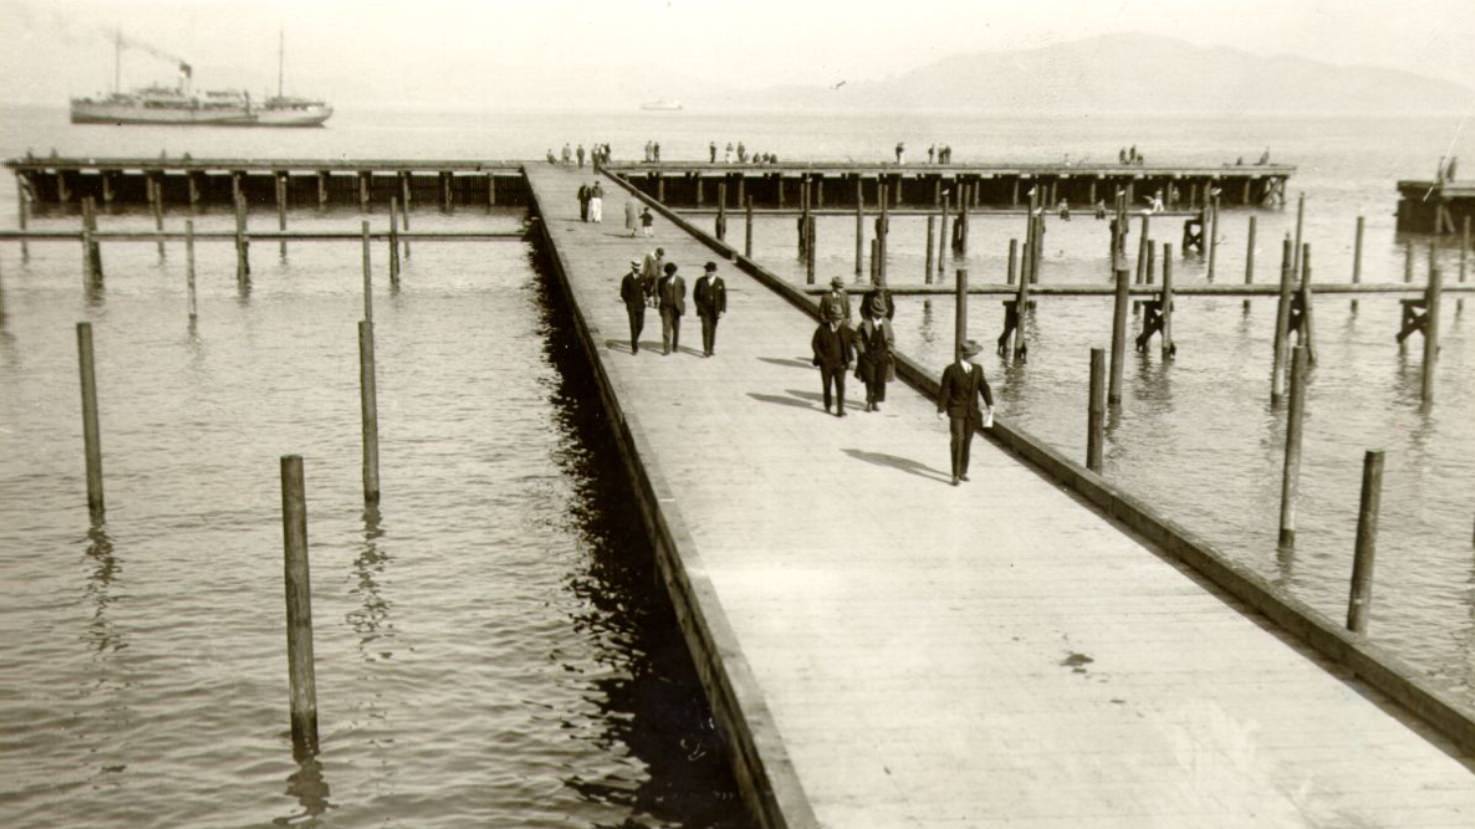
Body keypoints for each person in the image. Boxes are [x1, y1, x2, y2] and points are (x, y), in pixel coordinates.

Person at [936, 339, 994, 486]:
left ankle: (963, 471)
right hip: (956, 410)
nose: (977, 357)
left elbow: (984, 387)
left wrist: (990, 404)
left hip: (971, 412)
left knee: (967, 440)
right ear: (968, 355)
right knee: (958, 439)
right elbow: (945, 390)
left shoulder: (978, 369)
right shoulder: (951, 370)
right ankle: (955, 474)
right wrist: (941, 409)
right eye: (976, 354)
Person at [811, 304, 854, 417]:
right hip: (826, 364)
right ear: (831, 318)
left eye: (840, 319)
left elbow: (851, 344)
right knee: (827, 386)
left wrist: (851, 360)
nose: (838, 321)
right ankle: (828, 405)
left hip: (840, 364)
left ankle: (840, 409)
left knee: (841, 386)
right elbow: (815, 344)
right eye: (836, 319)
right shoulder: (822, 329)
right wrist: (821, 358)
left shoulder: (845, 329)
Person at [854, 295, 894, 412]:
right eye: (877, 312)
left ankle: (876, 401)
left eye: (881, 312)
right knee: (870, 379)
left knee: (880, 380)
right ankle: (869, 402)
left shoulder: (886, 323)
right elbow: (858, 338)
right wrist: (862, 351)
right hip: (868, 355)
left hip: (882, 355)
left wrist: (890, 352)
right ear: (873, 312)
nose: (879, 315)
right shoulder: (865, 323)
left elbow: (891, 339)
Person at [693, 261, 727, 357]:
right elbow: (695, 296)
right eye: (707, 271)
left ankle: (711, 348)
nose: (708, 273)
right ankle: (706, 350)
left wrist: (722, 310)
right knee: (706, 329)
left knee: (712, 329)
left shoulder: (720, 282)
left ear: (715, 272)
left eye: (710, 271)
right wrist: (699, 306)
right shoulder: (700, 281)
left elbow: (723, 297)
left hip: (715, 311)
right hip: (704, 310)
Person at [657, 262, 686, 355]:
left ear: (674, 272)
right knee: (666, 328)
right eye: (668, 273)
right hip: (666, 308)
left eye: (672, 273)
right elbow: (660, 292)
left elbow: (683, 293)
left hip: (676, 308)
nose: (670, 275)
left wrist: (678, 301)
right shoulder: (661, 281)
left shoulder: (681, 280)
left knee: (676, 328)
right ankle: (666, 349)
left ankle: (675, 346)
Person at [620, 260, 647, 354]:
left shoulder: (643, 278)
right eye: (635, 269)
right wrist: (629, 301)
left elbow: (648, 290)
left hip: (641, 305)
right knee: (633, 326)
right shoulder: (627, 279)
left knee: (641, 325)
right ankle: (634, 348)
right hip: (631, 306)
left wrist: (648, 296)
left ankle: (634, 339)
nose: (637, 270)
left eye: (638, 269)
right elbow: (623, 293)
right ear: (632, 268)